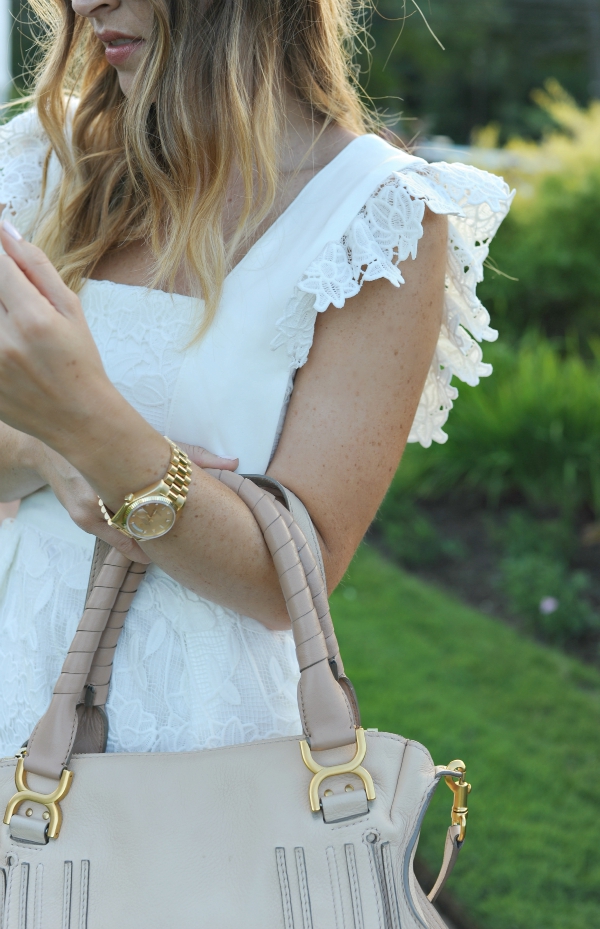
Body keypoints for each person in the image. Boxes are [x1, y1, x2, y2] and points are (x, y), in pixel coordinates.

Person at [0, 0, 512, 759]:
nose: (84, 4)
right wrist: (48, 455)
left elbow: (288, 579)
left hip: (197, 738)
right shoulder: (48, 157)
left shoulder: (373, 213)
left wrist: (87, 429)